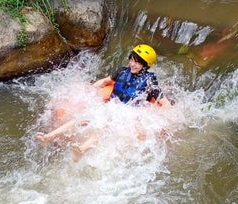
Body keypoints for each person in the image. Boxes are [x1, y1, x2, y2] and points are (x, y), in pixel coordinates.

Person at [36, 44, 171, 154]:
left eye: (137, 62)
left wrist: (164, 117)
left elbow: (163, 102)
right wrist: (89, 90)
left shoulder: (149, 81)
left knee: (104, 124)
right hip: (112, 105)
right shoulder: (122, 71)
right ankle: (50, 136)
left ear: (145, 65)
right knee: (83, 118)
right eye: (132, 60)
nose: (132, 64)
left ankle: (84, 147)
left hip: (129, 112)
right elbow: (105, 82)